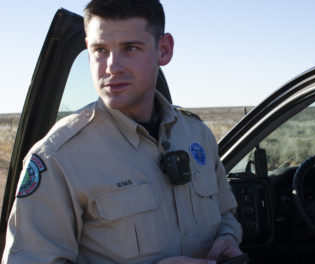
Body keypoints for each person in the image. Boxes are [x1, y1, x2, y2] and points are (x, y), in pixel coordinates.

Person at [1, 0, 243, 263]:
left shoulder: (196, 135)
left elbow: (225, 213)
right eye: (100, 50)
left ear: (163, 49)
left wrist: (228, 238)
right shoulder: (59, 158)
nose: (112, 67)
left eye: (130, 48)